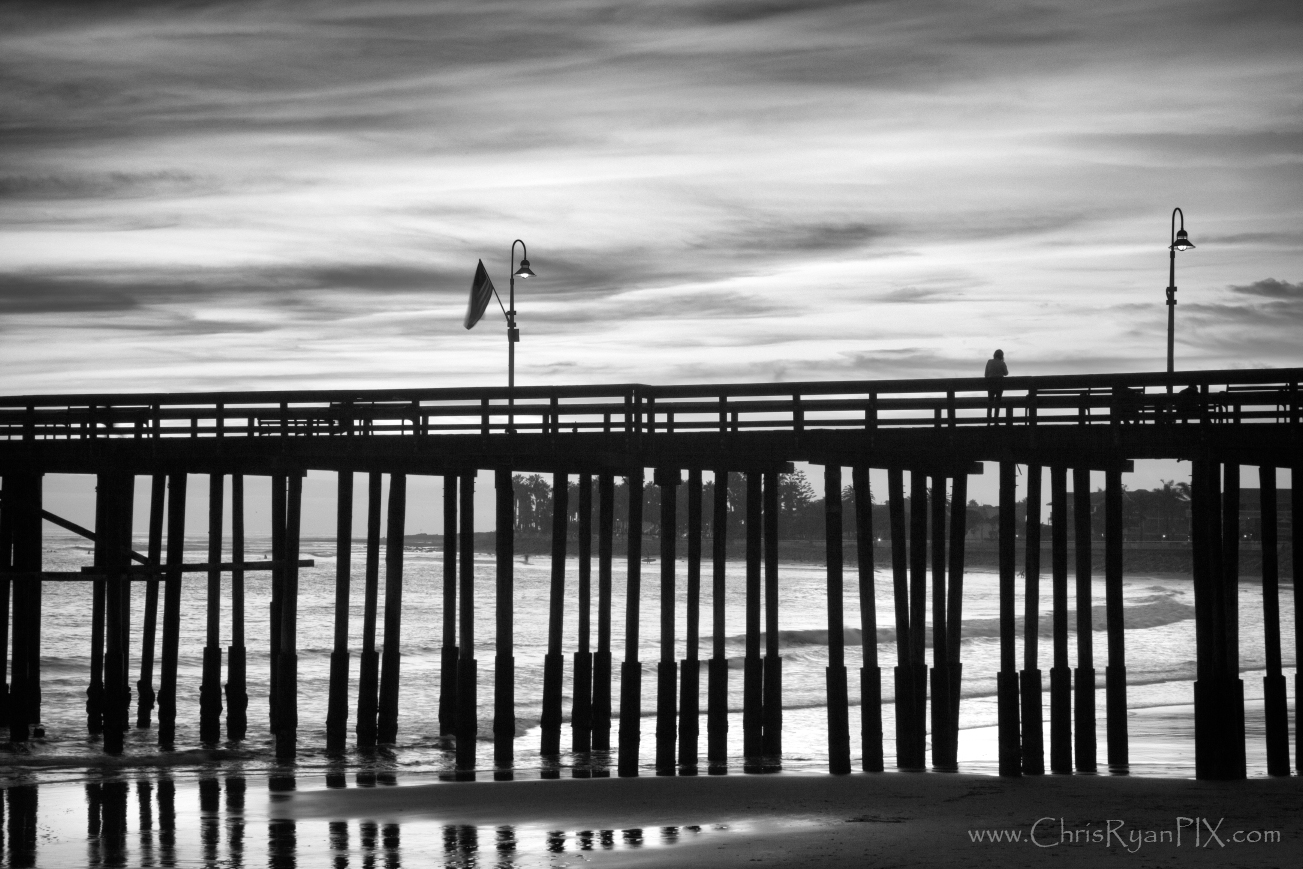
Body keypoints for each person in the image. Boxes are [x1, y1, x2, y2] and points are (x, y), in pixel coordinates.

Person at [985, 349, 1007, 422]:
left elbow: (986, 374)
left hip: (990, 385)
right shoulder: (1002, 363)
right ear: (1001, 356)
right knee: (998, 402)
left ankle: (988, 420)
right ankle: (996, 420)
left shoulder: (989, 362)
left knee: (990, 401)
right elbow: (1006, 373)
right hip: (999, 385)